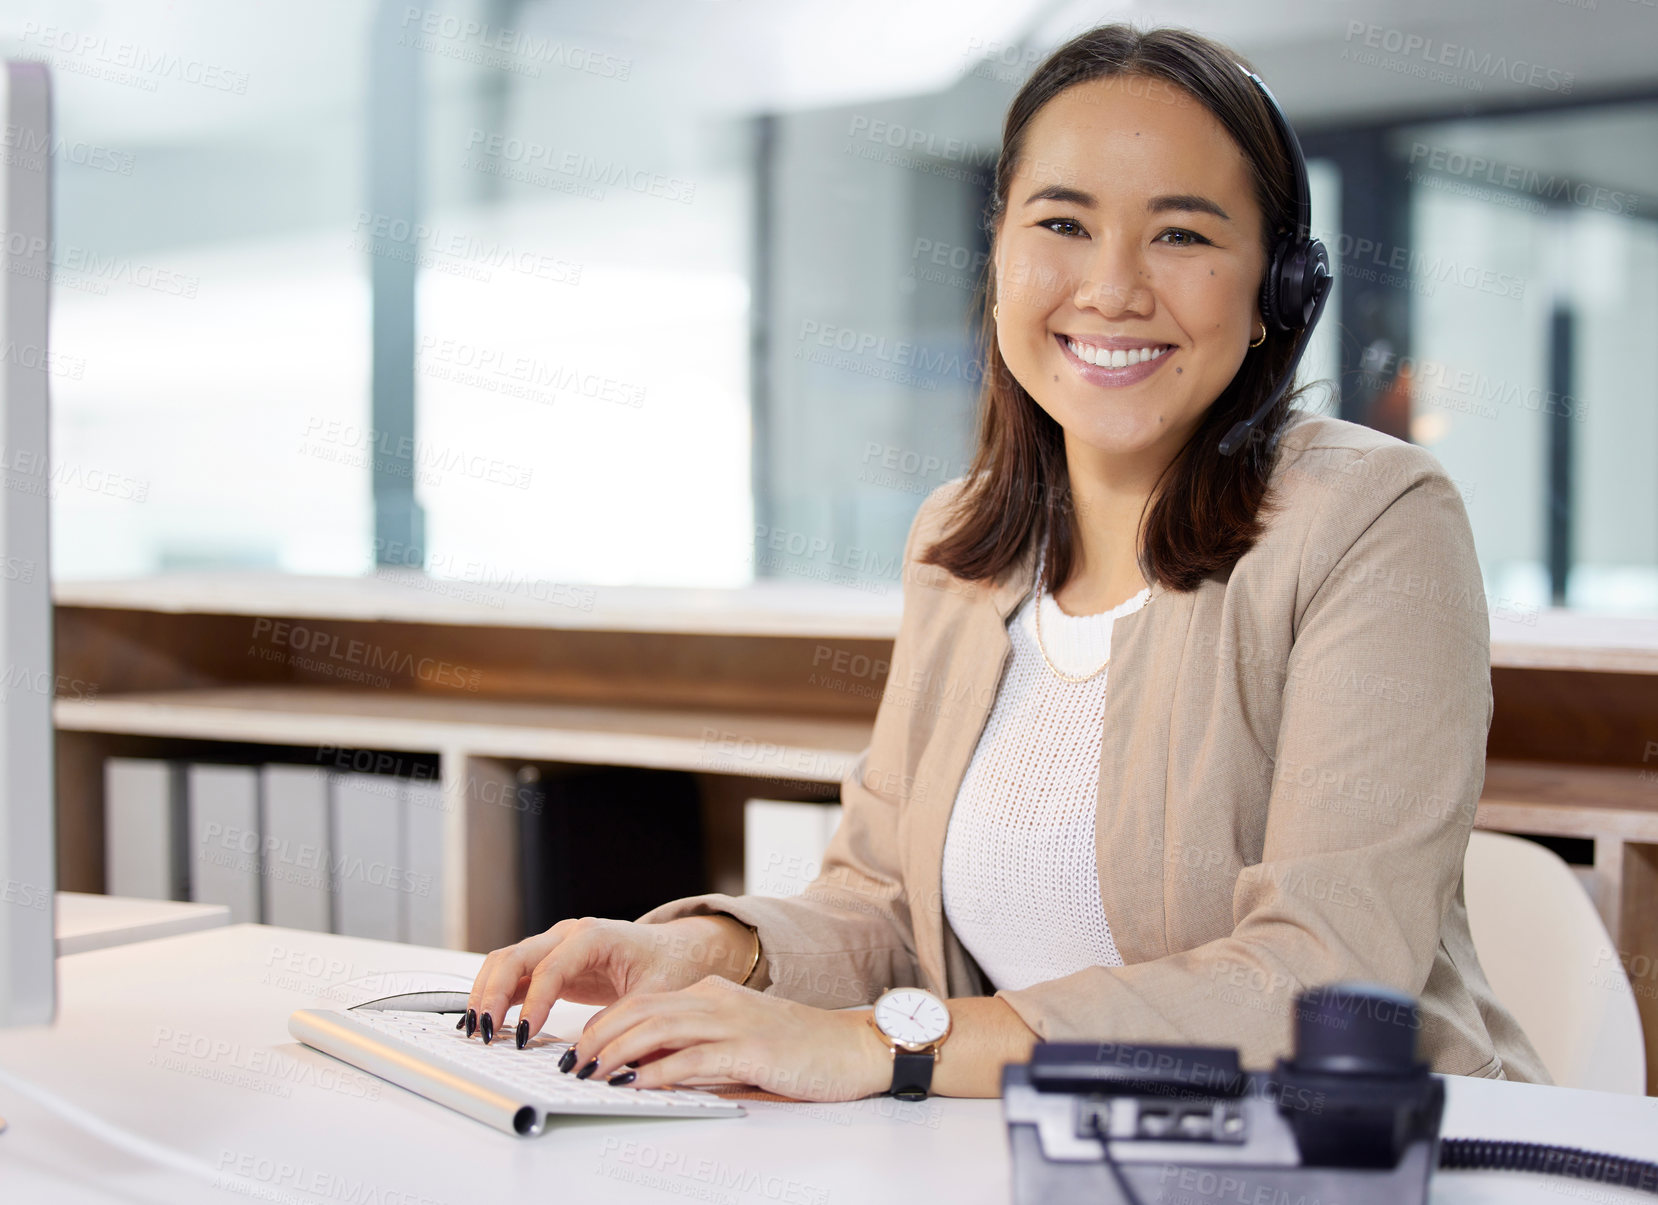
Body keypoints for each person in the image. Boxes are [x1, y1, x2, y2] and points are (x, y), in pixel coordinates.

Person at [462, 23, 1550, 1100]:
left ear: (1277, 293)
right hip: (1054, 1153)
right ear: (999, 261)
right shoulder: (962, 542)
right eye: (1062, 223)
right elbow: (887, 908)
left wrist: (886, 1048)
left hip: (1360, 1159)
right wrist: (709, 951)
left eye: (1180, 234)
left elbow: (1321, 981)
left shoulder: (1369, 519)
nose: (1112, 287)